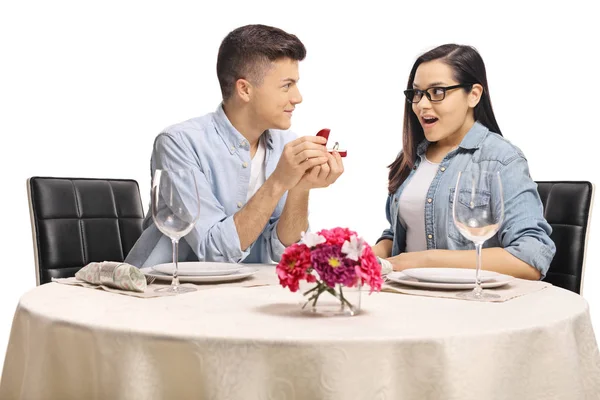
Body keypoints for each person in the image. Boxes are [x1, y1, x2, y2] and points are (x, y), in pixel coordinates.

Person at [125, 24, 344, 267]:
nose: (298, 97)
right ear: (244, 89)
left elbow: (287, 256)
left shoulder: (286, 144)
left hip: (247, 293)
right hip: (167, 292)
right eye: (287, 85)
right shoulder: (179, 143)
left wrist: (300, 189)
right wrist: (279, 181)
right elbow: (213, 252)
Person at [372, 44, 555, 280]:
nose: (422, 105)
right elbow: (398, 234)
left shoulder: (502, 159)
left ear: (474, 95)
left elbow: (530, 257)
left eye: (437, 92)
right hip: (407, 298)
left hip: (469, 307)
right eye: (417, 93)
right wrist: (370, 255)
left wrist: (425, 260)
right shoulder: (411, 156)